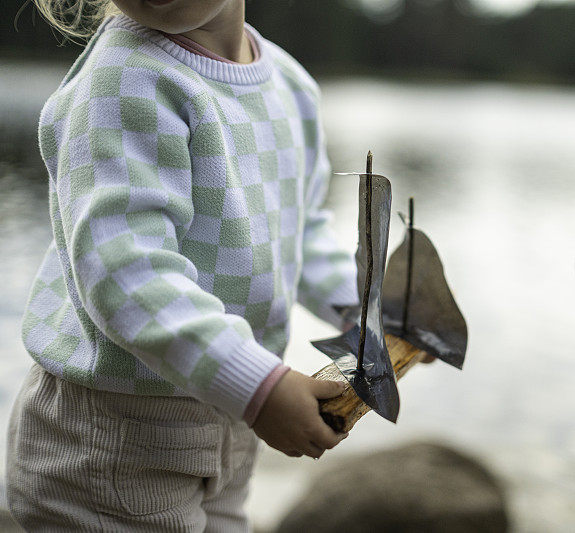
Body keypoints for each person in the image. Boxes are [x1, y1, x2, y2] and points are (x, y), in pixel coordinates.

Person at [6, 0, 362, 529]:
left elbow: (300, 230)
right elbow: (127, 275)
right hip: (115, 441)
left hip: (228, 423)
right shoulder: (123, 79)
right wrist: (259, 387)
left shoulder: (290, 87)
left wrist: (361, 309)